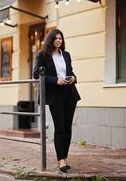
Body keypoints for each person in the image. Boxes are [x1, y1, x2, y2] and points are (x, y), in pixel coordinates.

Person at [33, 28, 80, 173]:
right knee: (60, 127)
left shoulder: (66, 55)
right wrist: (55, 81)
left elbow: (70, 72)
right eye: (56, 38)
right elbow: (36, 74)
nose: (58, 40)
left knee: (68, 128)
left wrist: (73, 78)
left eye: (60, 38)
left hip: (69, 93)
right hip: (55, 95)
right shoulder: (43, 55)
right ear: (50, 40)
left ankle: (64, 156)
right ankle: (61, 160)